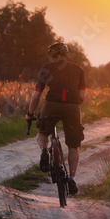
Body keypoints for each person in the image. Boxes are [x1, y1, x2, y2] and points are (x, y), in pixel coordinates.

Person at [25, 42, 85, 195]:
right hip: (72, 107)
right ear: (67, 55)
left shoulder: (47, 69)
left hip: (51, 105)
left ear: (52, 57)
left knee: (42, 134)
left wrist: (30, 114)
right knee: (73, 146)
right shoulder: (78, 70)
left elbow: (37, 95)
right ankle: (71, 179)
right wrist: (74, 105)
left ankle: (45, 151)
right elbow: (82, 96)